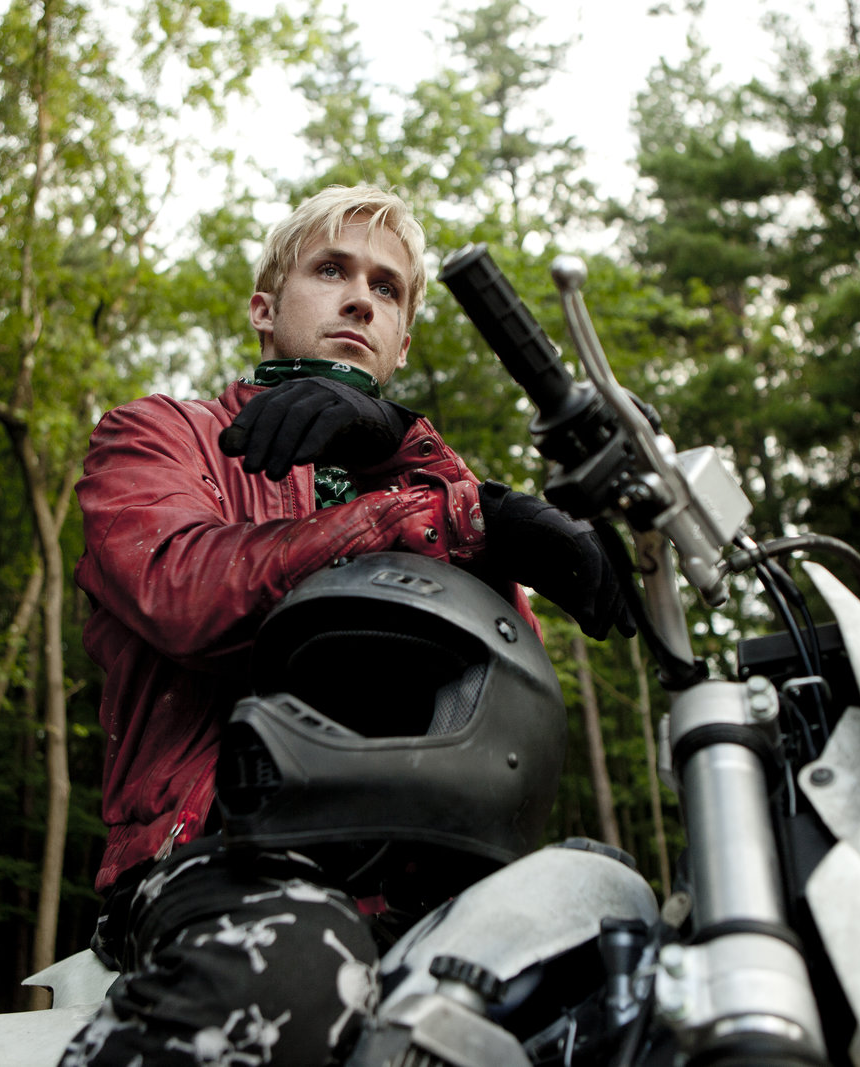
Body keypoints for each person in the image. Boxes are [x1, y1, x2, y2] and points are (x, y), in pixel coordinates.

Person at [61, 185, 632, 1067]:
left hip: (425, 877)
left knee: (614, 929)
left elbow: (502, 682)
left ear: (401, 341)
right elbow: (182, 587)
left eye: (387, 287)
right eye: (331, 270)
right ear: (265, 308)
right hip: (221, 855)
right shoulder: (159, 435)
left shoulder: (435, 488)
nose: (361, 298)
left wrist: (408, 457)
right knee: (297, 956)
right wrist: (447, 516)